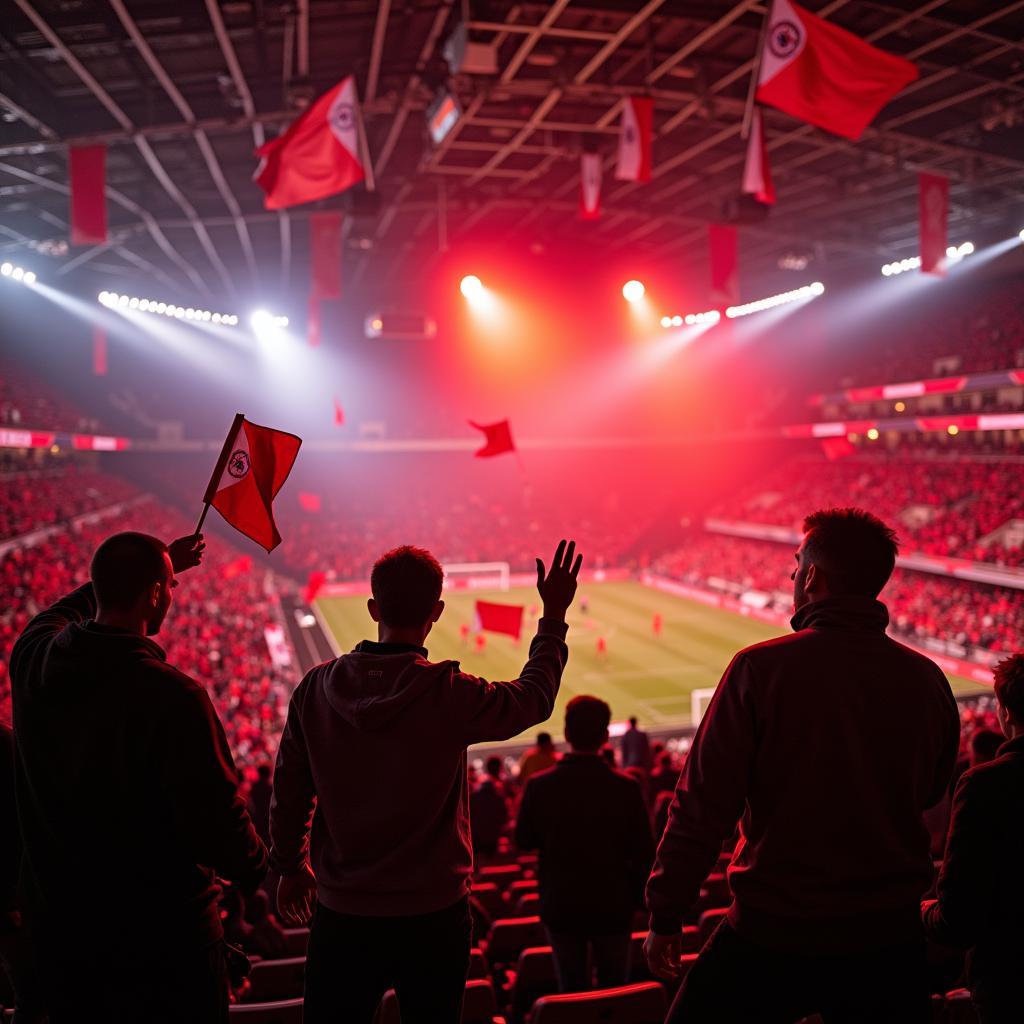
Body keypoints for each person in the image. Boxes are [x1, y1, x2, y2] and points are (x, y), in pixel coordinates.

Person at [645, 508, 960, 1024]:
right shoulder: (928, 681)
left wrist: (666, 911)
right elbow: (931, 798)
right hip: (889, 939)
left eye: (796, 565)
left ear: (812, 576)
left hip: (774, 929)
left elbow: (702, 804)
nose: (792, 576)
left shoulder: (759, 669)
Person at [270, 540, 582, 1024]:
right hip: (435, 913)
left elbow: (290, 790)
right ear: (436, 612)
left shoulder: (314, 689)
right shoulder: (450, 694)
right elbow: (534, 697)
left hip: (343, 912)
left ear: (373, 608)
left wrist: (288, 865)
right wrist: (553, 618)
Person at [9, 531, 267, 1023]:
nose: (173, 593)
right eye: (170, 585)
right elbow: (222, 828)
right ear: (153, 594)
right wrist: (263, 867)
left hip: (59, 939)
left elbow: (55, 615)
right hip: (163, 948)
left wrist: (156, 564)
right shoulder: (174, 697)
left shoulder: (31, 659)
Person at [515, 696, 654, 992]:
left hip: (561, 903)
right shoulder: (626, 788)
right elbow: (644, 851)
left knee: (571, 991)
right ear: (605, 736)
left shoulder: (539, 786)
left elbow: (523, 841)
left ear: (566, 734)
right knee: (614, 992)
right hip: (614, 903)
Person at [923, 653, 1024, 1023]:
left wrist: (920, 913)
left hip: (1008, 980)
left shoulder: (985, 784)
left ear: (1007, 713)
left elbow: (958, 919)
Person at [470, 756, 510, 857]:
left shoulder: (476, 790)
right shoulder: (501, 789)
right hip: (493, 835)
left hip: (478, 836)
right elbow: (505, 817)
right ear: (500, 767)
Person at [248, 763, 274, 845]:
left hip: (257, 815)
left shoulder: (254, 787)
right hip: (268, 816)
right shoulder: (270, 788)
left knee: (260, 836)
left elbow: (251, 803)